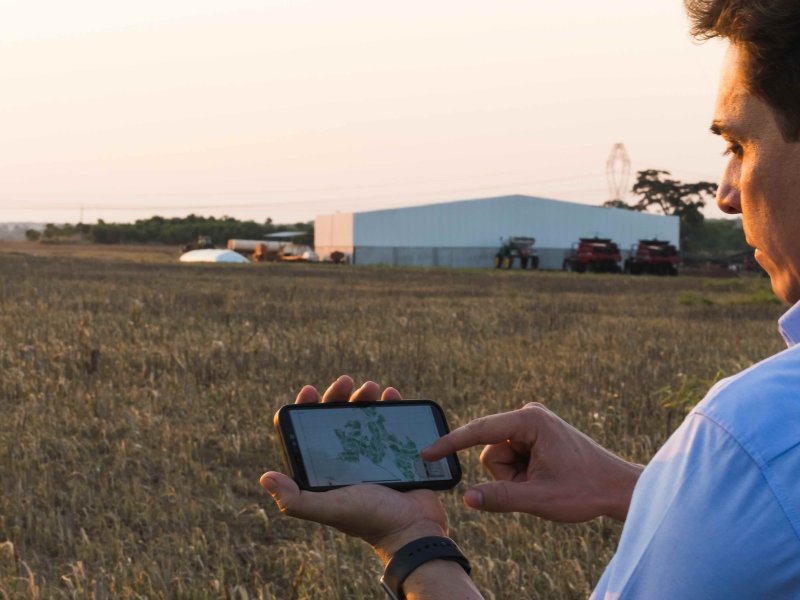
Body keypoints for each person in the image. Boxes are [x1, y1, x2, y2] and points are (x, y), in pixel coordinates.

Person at [260, 1, 800, 597]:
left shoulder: (759, 431)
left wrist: (413, 541)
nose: (725, 193)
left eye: (740, 145)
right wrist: (643, 489)